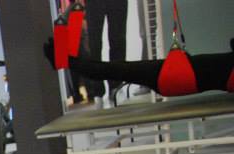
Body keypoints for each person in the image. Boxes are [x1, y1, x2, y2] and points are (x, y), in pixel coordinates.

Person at [46, 36, 234, 95]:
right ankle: (67, 61)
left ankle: (65, 61)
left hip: (177, 76)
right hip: (179, 73)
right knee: (116, 69)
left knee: (115, 69)